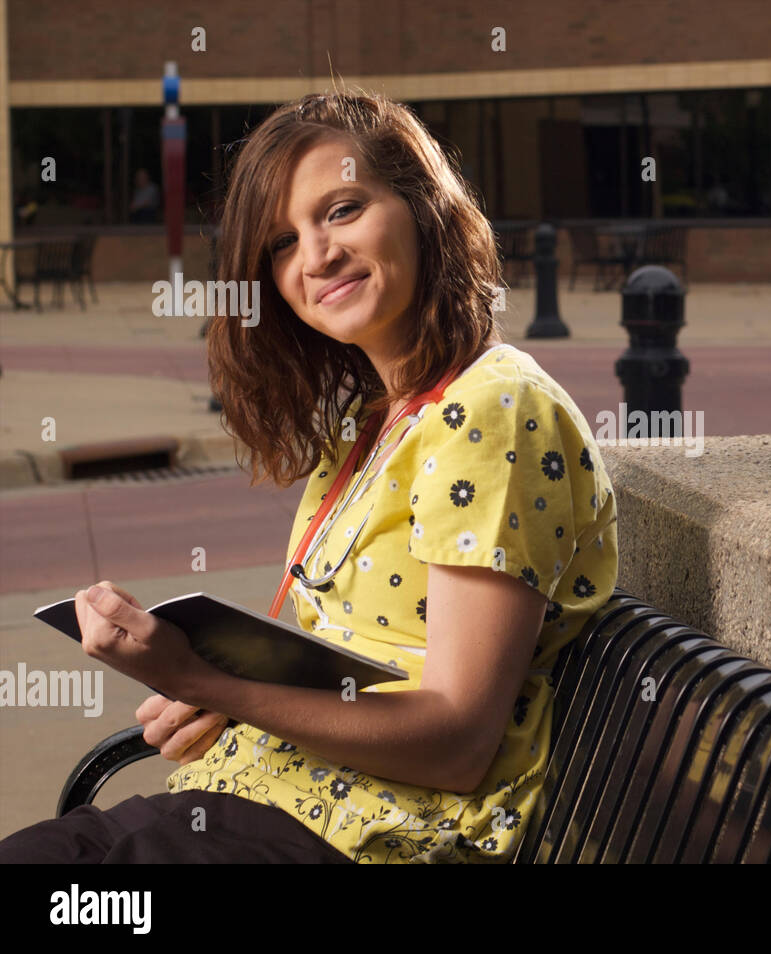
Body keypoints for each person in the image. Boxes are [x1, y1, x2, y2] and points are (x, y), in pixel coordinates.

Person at [0, 89, 619, 864]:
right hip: (261, 797)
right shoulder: (377, 422)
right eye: (282, 243)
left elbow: (457, 743)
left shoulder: (492, 407)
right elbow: (366, 670)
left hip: (371, 836)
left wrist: (215, 683)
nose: (315, 256)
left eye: (342, 209)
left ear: (424, 207)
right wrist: (215, 698)